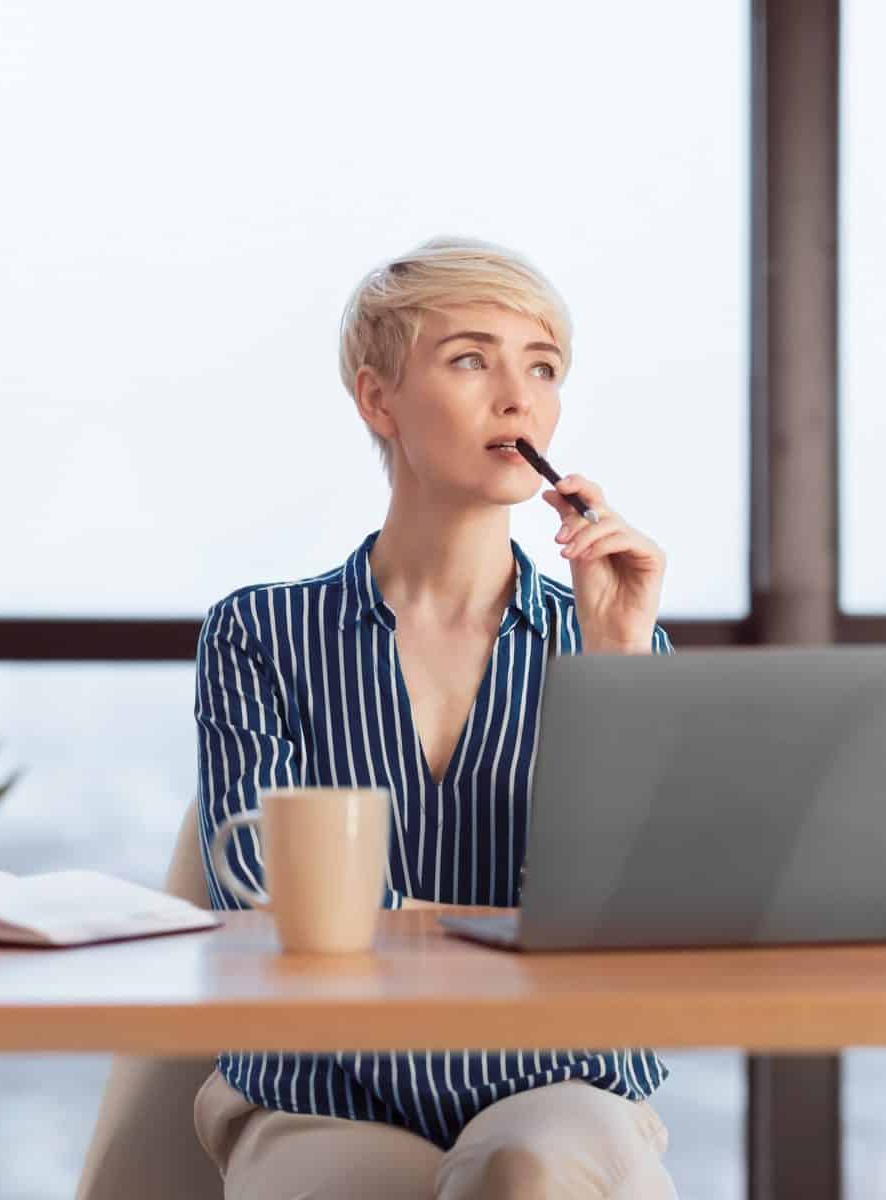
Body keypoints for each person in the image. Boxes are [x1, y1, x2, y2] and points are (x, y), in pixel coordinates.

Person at [190, 235, 679, 1199]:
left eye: (542, 367)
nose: (519, 396)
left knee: (528, 1170)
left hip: (564, 1080)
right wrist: (518, 929)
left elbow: (636, 917)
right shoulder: (260, 633)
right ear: (378, 400)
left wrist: (616, 659)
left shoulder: (613, 638)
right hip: (326, 1088)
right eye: (471, 359)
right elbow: (261, 891)